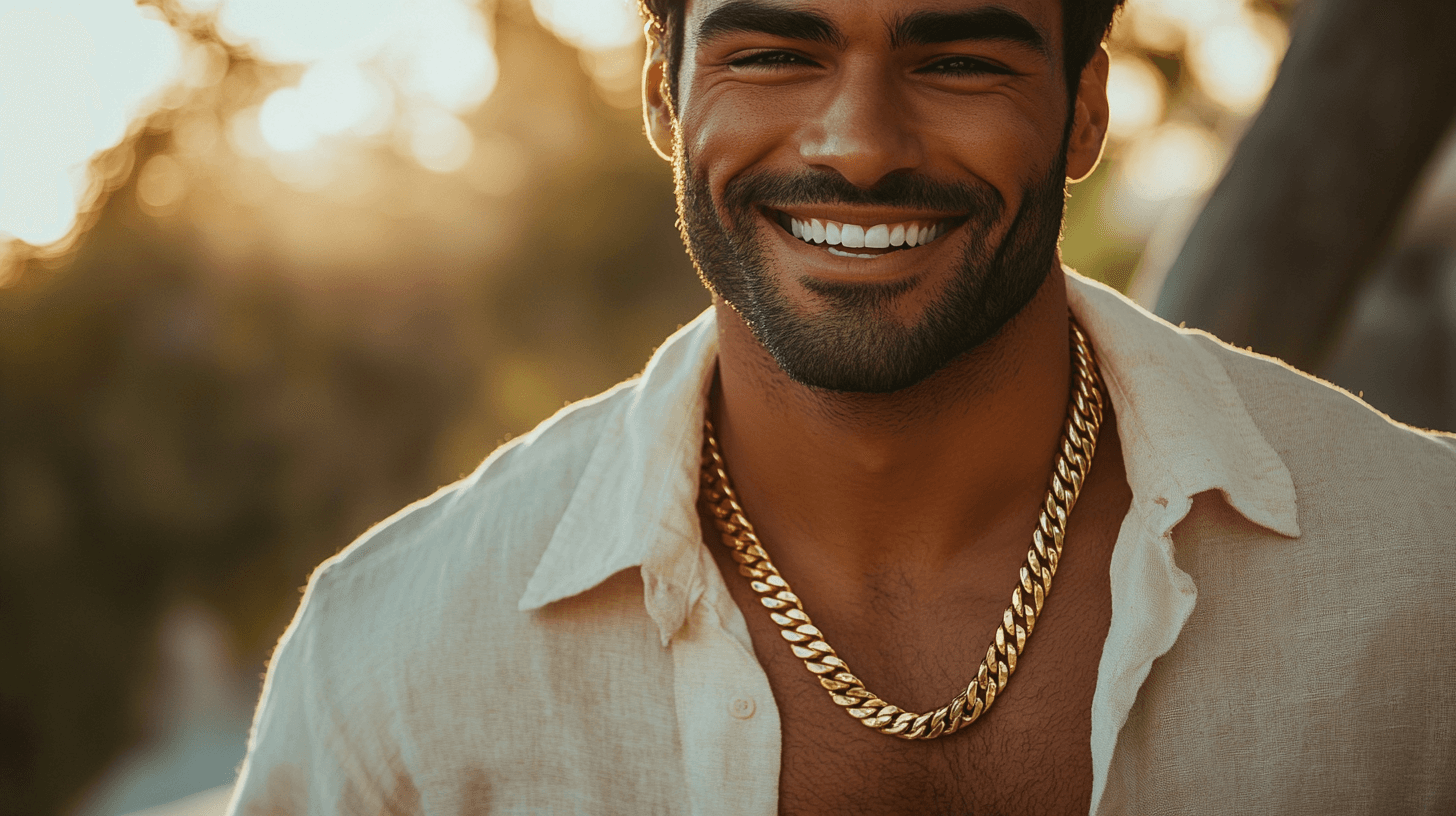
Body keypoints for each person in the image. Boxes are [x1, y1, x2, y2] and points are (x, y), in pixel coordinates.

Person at [227, 0, 1456, 813]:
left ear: (1083, 108)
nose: (861, 144)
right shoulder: (389, 671)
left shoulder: (1422, 581)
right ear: (665, 94)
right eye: (775, 52)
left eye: (958, 59)